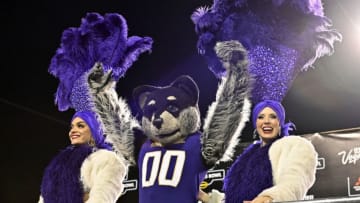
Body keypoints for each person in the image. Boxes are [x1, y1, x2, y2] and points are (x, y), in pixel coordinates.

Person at [201, 100, 318, 203]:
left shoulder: (294, 145)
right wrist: (205, 197)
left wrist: (269, 198)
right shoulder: (247, 156)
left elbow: (293, 183)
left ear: (280, 122)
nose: (266, 121)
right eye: (260, 117)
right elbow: (235, 198)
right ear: (256, 124)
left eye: (273, 116)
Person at [38, 110, 127, 203]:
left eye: (80, 126)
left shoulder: (107, 159)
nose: (72, 131)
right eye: (71, 127)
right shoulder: (58, 164)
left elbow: (100, 200)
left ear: (94, 129)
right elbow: (43, 199)